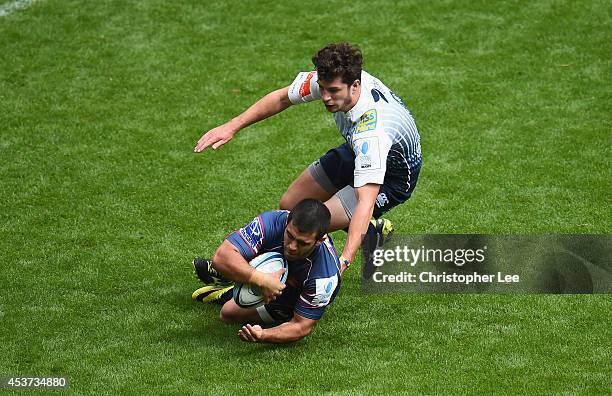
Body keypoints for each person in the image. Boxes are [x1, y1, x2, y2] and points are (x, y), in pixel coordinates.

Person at [194, 43, 422, 274]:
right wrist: (232, 126)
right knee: (289, 207)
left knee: (306, 229)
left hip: (391, 177)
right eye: (322, 89)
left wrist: (344, 260)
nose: (325, 97)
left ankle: (244, 276)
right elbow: (281, 98)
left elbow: (366, 201)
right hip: (354, 152)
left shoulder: (372, 134)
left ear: (355, 86)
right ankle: (371, 232)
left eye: (332, 91)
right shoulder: (335, 79)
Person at [192, 199, 341, 343]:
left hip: (291, 294)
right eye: (290, 236)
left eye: (302, 243)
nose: (292, 246)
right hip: (266, 270)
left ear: (320, 241)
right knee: (233, 243)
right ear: (288, 221)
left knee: (228, 314)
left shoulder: (324, 277)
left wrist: (263, 334)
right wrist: (262, 280)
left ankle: (231, 291)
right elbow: (221, 256)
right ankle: (240, 280)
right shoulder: (273, 221)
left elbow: (301, 326)